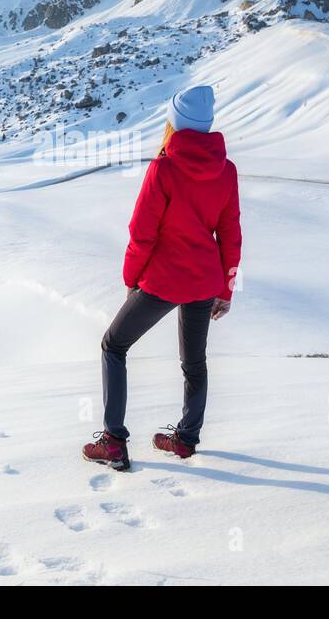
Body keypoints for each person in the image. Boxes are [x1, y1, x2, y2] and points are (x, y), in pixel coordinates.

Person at [82, 85, 241, 472]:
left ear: (174, 123)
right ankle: (186, 440)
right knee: (194, 362)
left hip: (162, 282)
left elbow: (142, 232)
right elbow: (230, 233)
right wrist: (225, 289)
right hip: (204, 281)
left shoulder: (164, 167)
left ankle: (114, 441)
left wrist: (131, 279)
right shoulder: (227, 169)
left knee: (113, 346)